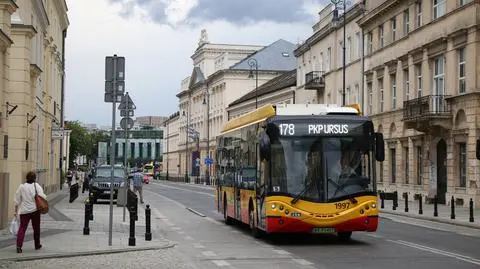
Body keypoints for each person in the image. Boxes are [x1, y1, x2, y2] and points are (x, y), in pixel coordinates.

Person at [13, 171, 46, 253]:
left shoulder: (22, 187)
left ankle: (19, 246)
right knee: (36, 228)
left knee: (22, 228)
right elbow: (43, 197)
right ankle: (37, 244)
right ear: (35, 178)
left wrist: (16, 210)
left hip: (24, 211)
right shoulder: (37, 186)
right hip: (35, 210)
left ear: (26, 178)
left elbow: (17, 199)